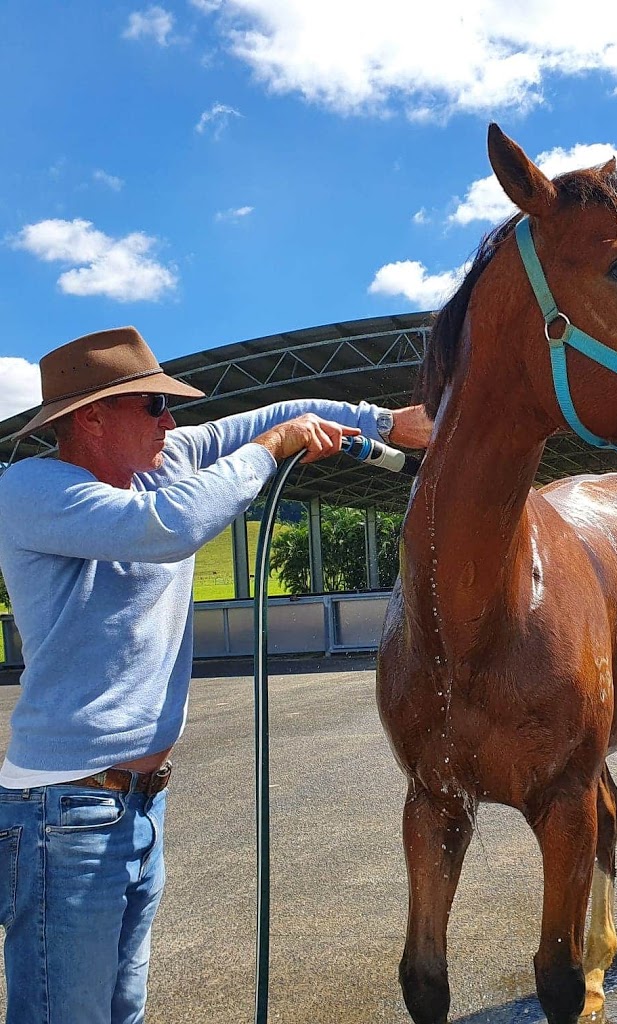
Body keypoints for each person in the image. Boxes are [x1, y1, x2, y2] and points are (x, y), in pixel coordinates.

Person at [0, 325, 432, 1024]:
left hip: (136, 805)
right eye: (153, 406)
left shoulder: (165, 459)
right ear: (91, 418)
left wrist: (385, 423)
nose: (172, 422)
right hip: (63, 814)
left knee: (122, 1009)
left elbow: (273, 415)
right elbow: (169, 525)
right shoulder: (32, 488)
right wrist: (271, 451)